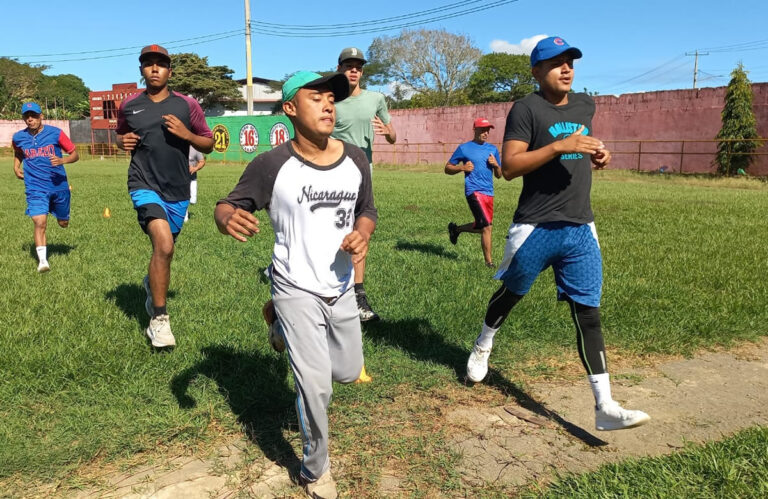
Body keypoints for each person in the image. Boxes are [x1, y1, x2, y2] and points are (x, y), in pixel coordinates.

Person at [465, 36, 650, 431]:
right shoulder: (525, 110)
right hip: (535, 227)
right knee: (511, 294)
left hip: (581, 226)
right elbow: (512, 167)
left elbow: (582, 149)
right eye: (555, 63)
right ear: (536, 71)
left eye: (570, 61)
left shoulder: (586, 104)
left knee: (589, 314)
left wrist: (599, 154)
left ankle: (605, 406)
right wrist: (558, 145)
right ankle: (484, 343)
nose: (565, 68)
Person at [215, 70, 376, 499]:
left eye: (332, 99)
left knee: (344, 372)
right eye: (317, 97)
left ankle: (275, 321)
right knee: (315, 384)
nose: (328, 105)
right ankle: (314, 469)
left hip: (339, 286)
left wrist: (363, 233)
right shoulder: (271, 165)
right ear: (289, 108)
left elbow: (368, 211)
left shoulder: (356, 159)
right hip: (294, 284)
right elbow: (227, 204)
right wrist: (227, 216)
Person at [116, 44, 213, 348]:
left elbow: (208, 144)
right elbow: (122, 135)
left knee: (165, 252)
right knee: (164, 244)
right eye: (148, 64)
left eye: (161, 64)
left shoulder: (187, 105)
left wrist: (187, 135)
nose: (154, 69)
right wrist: (124, 142)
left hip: (178, 188)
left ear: (170, 71)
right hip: (143, 183)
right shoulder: (130, 106)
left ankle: (150, 284)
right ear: (141, 70)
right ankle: (159, 320)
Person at [332, 46, 396, 321]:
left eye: (358, 66)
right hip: (331, 172)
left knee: (360, 231)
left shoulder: (376, 99)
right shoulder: (330, 100)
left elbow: (393, 135)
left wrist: (387, 131)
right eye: (348, 65)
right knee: (330, 230)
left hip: (362, 175)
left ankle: (358, 296)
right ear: (340, 68)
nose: (354, 69)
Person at [12, 102, 80, 273]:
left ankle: (60, 214)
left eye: (33, 115)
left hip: (58, 186)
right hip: (35, 186)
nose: (30, 119)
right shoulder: (18, 137)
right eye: (27, 116)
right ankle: (43, 262)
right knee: (39, 221)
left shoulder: (55, 133)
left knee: (63, 223)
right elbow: (19, 152)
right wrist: (16, 167)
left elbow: (75, 154)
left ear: (41, 116)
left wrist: (62, 160)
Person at [445, 118, 502, 268]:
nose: (486, 133)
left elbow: (499, 175)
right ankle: (489, 263)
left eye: (488, 130)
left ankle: (456, 229)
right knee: (486, 227)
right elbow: (448, 168)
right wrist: (461, 168)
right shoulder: (464, 148)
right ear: (475, 130)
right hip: (474, 191)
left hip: (489, 192)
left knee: (482, 225)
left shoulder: (493, 149)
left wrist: (496, 165)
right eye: (483, 130)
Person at [184, 148, 206, 222]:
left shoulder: (195, 149)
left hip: (192, 179)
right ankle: (185, 217)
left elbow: (202, 161)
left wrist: (195, 168)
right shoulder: (177, 148)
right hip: (180, 179)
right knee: (184, 197)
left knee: (193, 201)